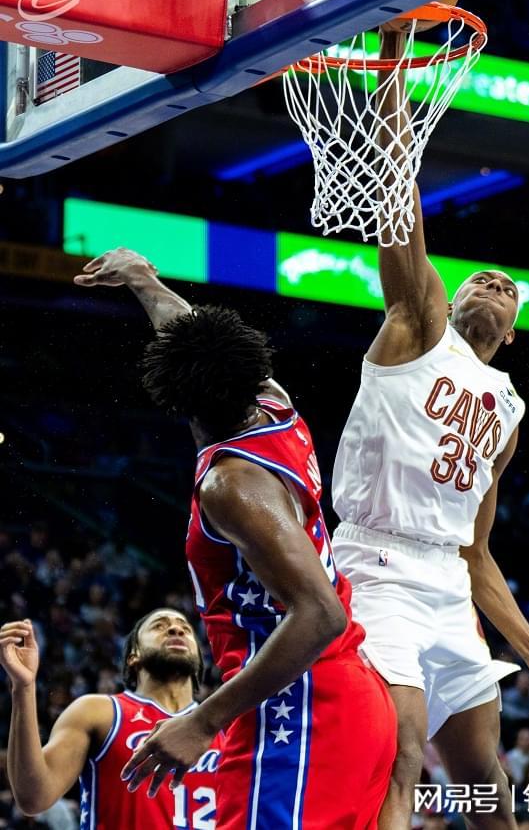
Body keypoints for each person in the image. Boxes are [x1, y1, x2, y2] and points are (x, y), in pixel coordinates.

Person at [329, 28, 529, 829]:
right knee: (401, 750)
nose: (493, 283)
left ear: (513, 333)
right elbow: (397, 200)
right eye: (481, 278)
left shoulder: (508, 409)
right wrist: (392, 83)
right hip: (375, 566)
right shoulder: (418, 326)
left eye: (508, 288)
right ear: (452, 300)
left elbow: (475, 550)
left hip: (448, 588)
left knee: (485, 777)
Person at [75, 248, 396, 829]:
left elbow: (321, 614)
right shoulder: (273, 402)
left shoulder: (231, 484)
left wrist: (202, 721)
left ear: (176, 401)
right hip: (341, 699)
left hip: (299, 711)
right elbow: (195, 338)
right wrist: (144, 281)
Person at [0, 607, 223, 829]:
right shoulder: (98, 711)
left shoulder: (224, 727)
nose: (176, 629)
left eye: (186, 629)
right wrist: (23, 687)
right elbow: (34, 797)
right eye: (159, 626)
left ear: (198, 656)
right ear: (133, 656)